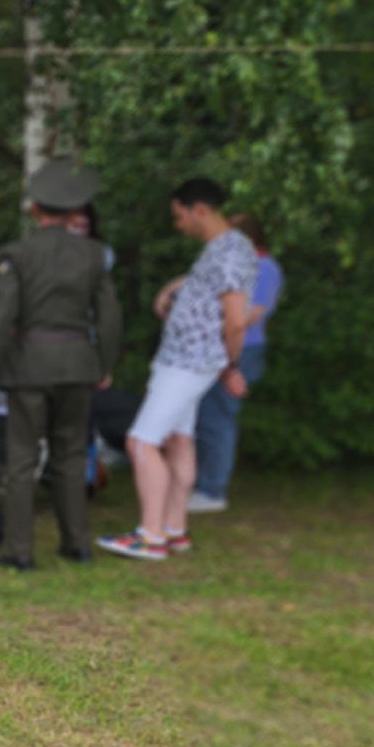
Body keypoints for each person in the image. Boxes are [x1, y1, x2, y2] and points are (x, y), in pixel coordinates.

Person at [0, 158, 122, 570]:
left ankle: (20, 551)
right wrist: (105, 362)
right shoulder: (94, 255)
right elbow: (109, 317)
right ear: (75, 212)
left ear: (36, 209)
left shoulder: (18, 255)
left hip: (29, 366)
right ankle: (77, 543)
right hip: (78, 363)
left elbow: (3, 314)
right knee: (72, 454)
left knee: (21, 457)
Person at [98, 178, 254, 560]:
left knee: (141, 441)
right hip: (187, 360)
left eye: (179, 215)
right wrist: (172, 290)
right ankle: (174, 528)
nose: (177, 223)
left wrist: (229, 365)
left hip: (189, 363)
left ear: (199, 209)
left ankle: (149, 536)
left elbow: (235, 320)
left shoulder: (230, 251)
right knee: (178, 440)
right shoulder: (223, 248)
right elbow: (209, 288)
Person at [187, 212, 281, 512]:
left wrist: (208, 323)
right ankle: (204, 484)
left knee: (218, 417)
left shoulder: (264, 267)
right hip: (222, 347)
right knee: (207, 416)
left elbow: (249, 315)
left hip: (242, 351)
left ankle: (212, 491)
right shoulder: (238, 266)